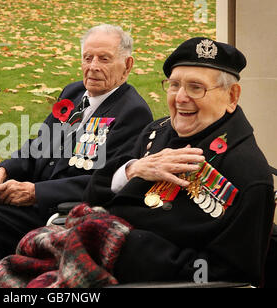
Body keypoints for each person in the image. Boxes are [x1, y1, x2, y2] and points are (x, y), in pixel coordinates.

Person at [0, 24, 153, 287]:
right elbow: (39, 145)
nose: (93, 66)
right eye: (88, 58)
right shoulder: (74, 93)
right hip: (31, 194)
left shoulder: (132, 113)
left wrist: (34, 192)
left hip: (65, 209)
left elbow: (104, 180)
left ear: (127, 65)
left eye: (104, 59)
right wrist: (2, 171)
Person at [84, 37, 275, 286]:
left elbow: (228, 275)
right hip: (91, 251)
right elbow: (92, 194)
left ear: (232, 97)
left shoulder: (247, 173)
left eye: (196, 87)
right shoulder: (157, 131)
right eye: (174, 85)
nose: (180, 98)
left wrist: (127, 247)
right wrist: (133, 170)